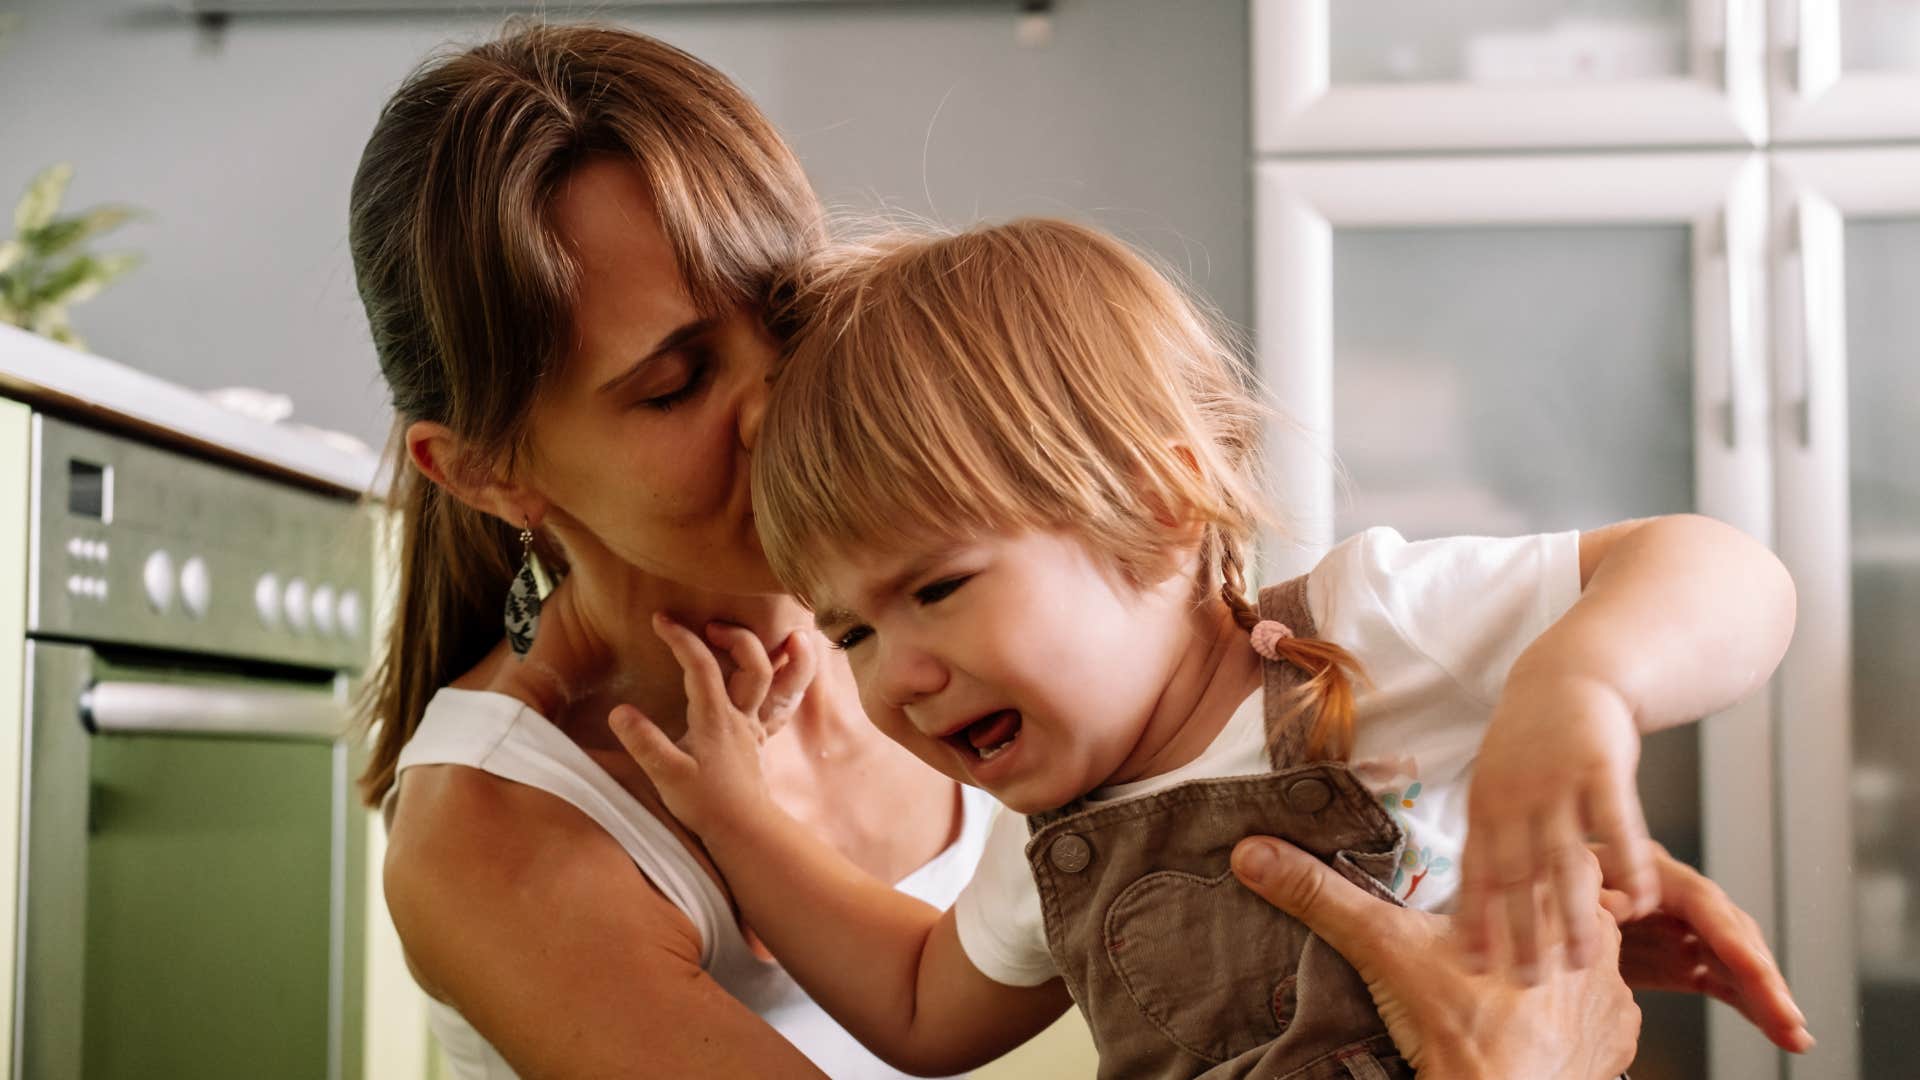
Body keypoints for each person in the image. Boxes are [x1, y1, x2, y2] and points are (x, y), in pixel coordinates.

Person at [352, 21, 1806, 1078]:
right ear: (484, 473)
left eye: (784, 317)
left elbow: (1705, 577)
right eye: (674, 385)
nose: (779, 401)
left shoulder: (1219, 638)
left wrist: (1507, 818)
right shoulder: (507, 834)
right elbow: (922, 1010)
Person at [611, 219, 1807, 1077]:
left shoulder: (1366, 626)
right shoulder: (1050, 848)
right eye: (852, 631)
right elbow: (922, 1011)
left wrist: (1582, 679)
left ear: (1158, 505)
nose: (899, 676)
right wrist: (737, 818)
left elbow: (1728, 571)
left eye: (939, 587)